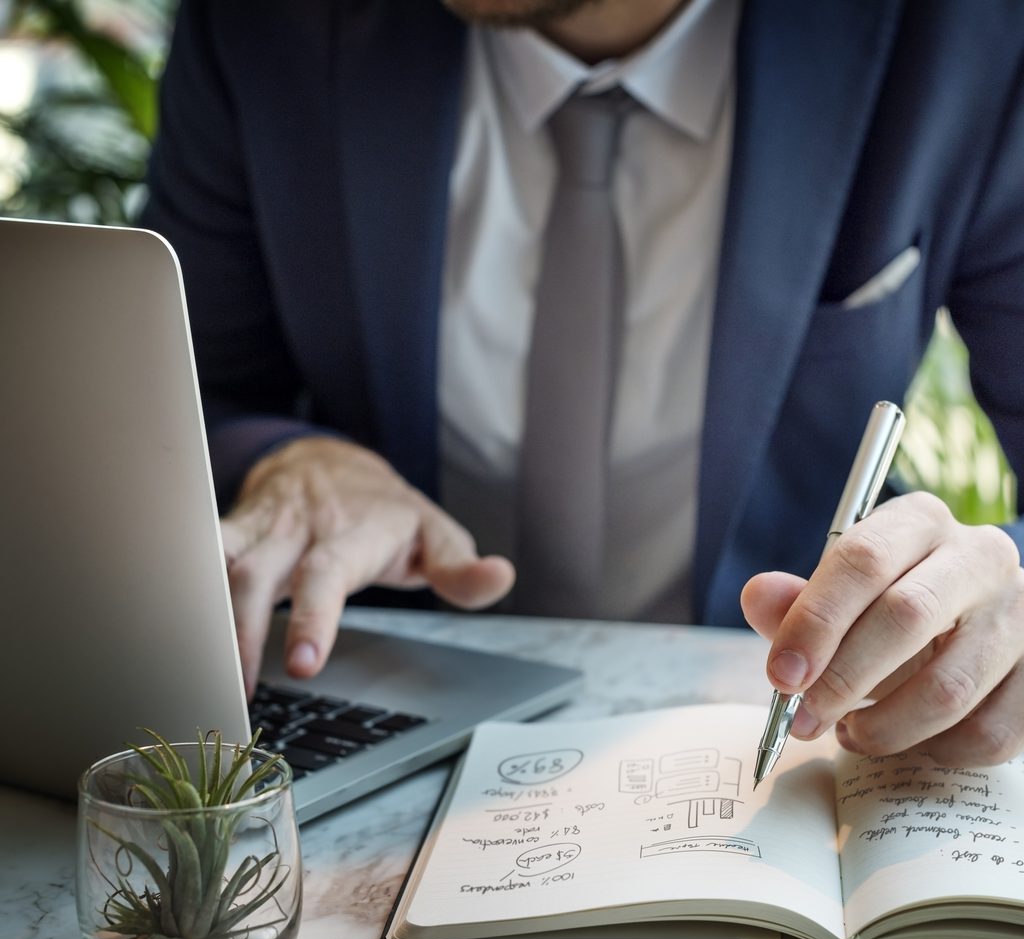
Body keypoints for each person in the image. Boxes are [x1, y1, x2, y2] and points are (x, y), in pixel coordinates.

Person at [140, 0, 1024, 767]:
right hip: (371, 715)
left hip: (772, 729)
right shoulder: (264, 26)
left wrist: (999, 601)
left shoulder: (963, 34)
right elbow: (178, 389)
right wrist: (289, 459)